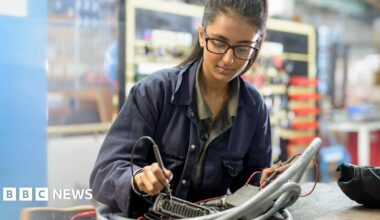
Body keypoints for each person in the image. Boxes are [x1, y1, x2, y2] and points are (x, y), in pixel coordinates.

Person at [90, 0, 288, 218]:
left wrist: (264, 181)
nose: (228, 59)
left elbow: (248, 182)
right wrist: (137, 179)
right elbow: (103, 173)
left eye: (242, 48)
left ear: (256, 45)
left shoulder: (254, 108)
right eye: (220, 43)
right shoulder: (155, 92)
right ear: (202, 36)